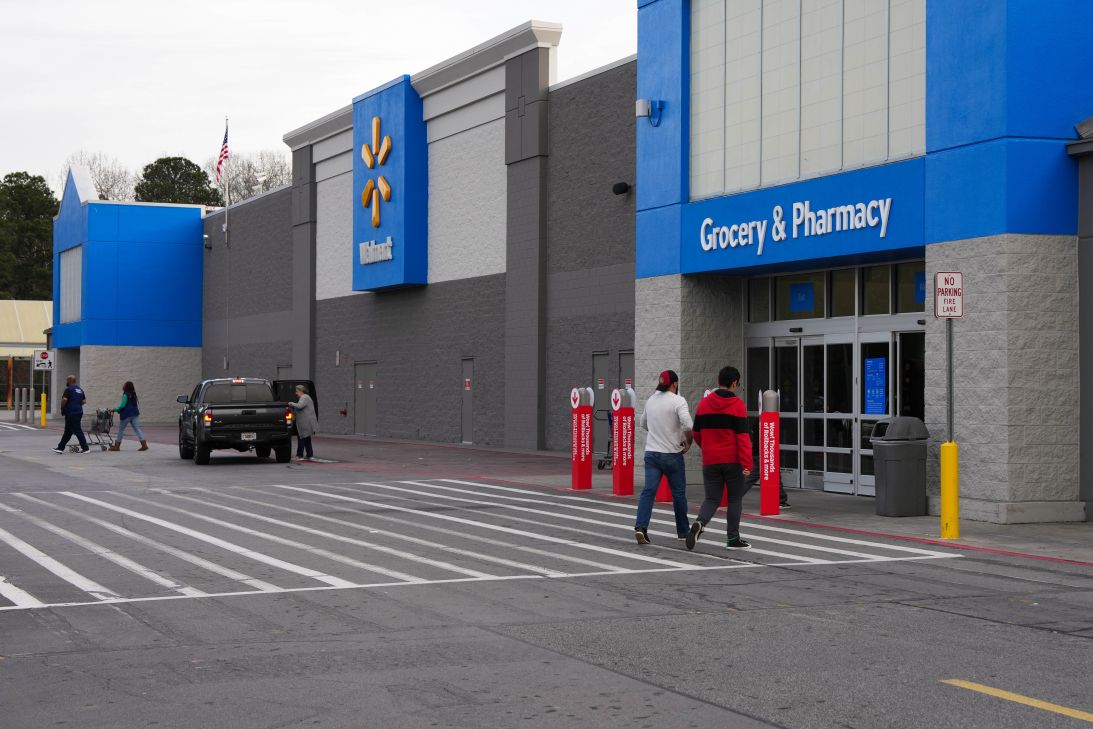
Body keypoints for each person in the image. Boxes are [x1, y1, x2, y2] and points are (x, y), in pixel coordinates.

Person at [686, 366, 754, 551]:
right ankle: (733, 539)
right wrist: (747, 463)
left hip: (711, 461)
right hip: (733, 461)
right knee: (734, 499)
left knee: (712, 499)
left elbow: (696, 433)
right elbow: (743, 438)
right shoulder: (737, 405)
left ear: (719, 381)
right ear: (734, 383)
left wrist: (708, 448)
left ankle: (700, 523)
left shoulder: (704, 404)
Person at [633, 370, 693, 544]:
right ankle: (683, 531)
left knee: (648, 491)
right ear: (674, 384)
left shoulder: (651, 400)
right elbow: (688, 424)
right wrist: (688, 441)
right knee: (679, 494)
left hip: (651, 453)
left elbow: (643, 423)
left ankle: (641, 527)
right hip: (672, 455)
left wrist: (658, 431)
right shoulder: (678, 401)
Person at [52, 374, 89, 454]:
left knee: (77, 430)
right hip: (79, 411)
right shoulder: (80, 390)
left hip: (71, 413)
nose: (66, 382)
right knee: (68, 431)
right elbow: (84, 401)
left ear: (69, 381)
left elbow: (64, 400)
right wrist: (77, 405)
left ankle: (85, 448)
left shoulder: (68, 389)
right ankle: (60, 448)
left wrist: (62, 406)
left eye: (67, 380)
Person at [109, 381, 147, 451]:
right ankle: (144, 444)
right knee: (137, 429)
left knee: (121, 430)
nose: (123, 386)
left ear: (126, 387)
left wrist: (114, 409)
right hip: (135, 414)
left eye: (124, 385)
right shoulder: (133, 394)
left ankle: (117, 446)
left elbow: (122, 405)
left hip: (127, 415)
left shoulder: (125, 395)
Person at [287, 384, 318, 461]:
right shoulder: (305, 397)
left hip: (305, 423)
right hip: (306, 422)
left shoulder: (304, 397)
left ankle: (299, 455)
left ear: (301, 391)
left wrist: (291, 403)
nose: (296, 393)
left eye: (297, 391)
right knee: (307, 439)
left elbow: (300, 406)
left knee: (302, 438)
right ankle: (310, 455)